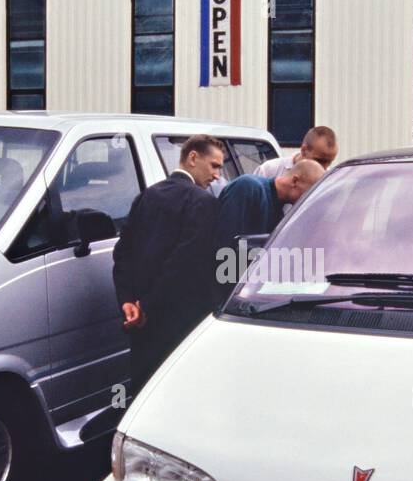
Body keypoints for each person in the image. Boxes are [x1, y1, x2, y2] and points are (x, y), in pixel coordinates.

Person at [112, 135, 225, 395]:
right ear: (193, 158)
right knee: (174, 392)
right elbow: (184, 264)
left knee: (141, 391)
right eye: (215, 165)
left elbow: (122, 252)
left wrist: (128, 302)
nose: (218, 175)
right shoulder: (203, 201)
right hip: (179, 320)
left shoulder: (146, 196)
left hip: (140, 321)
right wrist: (146, 306)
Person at [212, 160, 325, 301]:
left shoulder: (279, 210)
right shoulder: (248, 187)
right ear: (295, 181)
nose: (309, 201)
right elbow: (224, 247)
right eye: (309, 194)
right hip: (225, 295)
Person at [257, 125, 338, 179]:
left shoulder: (329, 180)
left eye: (329, 162)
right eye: (320, 161)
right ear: (304, 151)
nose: (324, 168)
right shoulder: (269, 170)